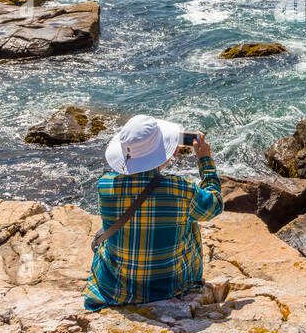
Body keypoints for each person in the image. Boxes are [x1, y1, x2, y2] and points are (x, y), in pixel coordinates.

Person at [83, 114, 223, 309]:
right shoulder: (180, 190)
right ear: (166, 151)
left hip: (117, 288)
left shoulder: (105, 185)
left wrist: (159, 152)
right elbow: (215, 204)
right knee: (188, 217)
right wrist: (205, 160)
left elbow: (133, 178)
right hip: (172, 286)